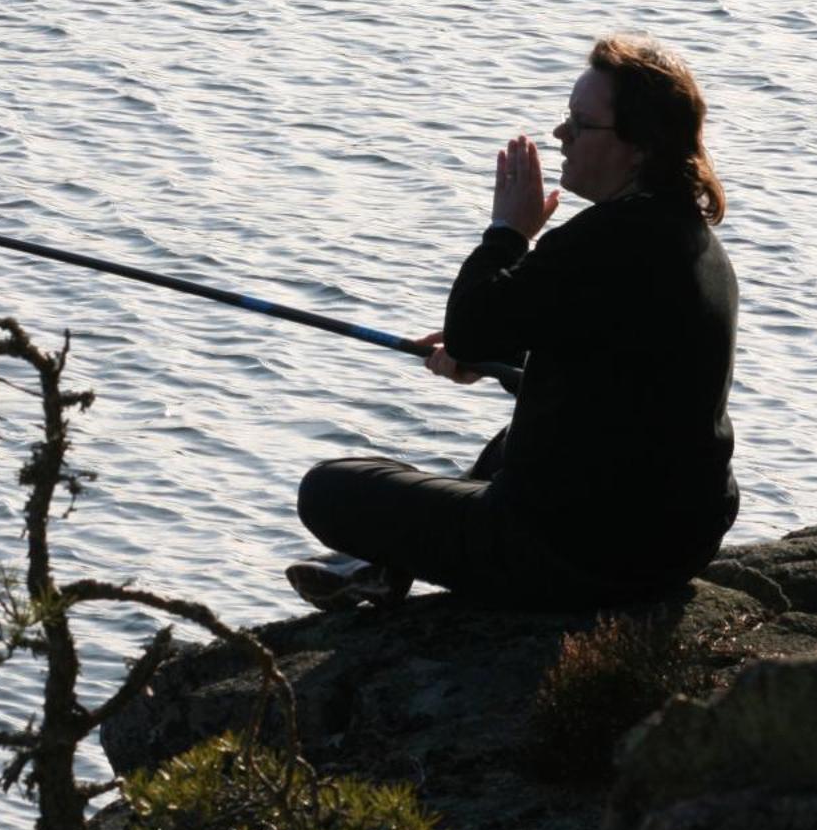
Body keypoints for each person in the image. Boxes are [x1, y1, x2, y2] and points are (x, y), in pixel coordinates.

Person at [288, 36, 738, 612]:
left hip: (570, 552)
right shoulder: (694, 244)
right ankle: (379, 565)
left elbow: (473, 326)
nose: (561, 136)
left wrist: (508, 233)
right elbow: (615, 372)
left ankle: (382, 556)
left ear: (638, 147)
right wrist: (500, 359)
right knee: (514, 440)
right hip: (678, 542)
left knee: (327, 488)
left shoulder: (600, 240)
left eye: (581, 124)